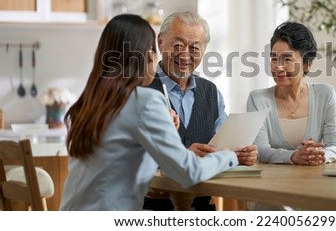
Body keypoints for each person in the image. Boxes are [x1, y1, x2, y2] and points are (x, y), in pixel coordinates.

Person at [59, 14, 239, 210]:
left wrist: (162, 126)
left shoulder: (93, 101)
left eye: (194, 47)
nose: (154, 57)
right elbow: (188, 172)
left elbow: (120, 157)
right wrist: (229, 156)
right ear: (146, 54)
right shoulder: (143, 100)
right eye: (152, 48)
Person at [143, 11, 257, 211]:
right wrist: (180, 160)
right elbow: (130, 158)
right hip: (152, 206)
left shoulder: (211, 92)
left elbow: (224, 147)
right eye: (177, 45)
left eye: (194, 48)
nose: (185, 55)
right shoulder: (141, 90)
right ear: (160, 42)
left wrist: (240, 155)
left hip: (202, 205)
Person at [246, 21, 336, 210]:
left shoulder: (326, 95)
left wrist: (318, 155)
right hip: (270, 193)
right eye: (274, 58)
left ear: (307, 64)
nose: (278, 67)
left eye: (287, 59)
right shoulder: (257, 99)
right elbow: (262, 151)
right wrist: (294, 157)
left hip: (313, 189)